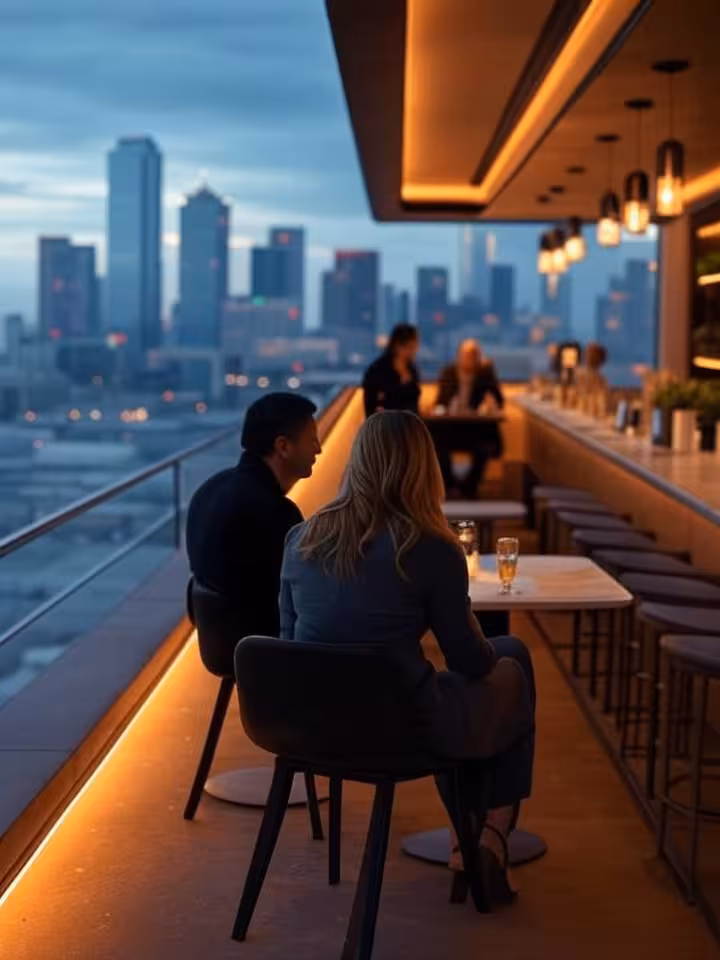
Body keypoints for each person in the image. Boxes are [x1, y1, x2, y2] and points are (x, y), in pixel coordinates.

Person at [280, 411, 535, 905]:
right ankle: (488, 839)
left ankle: (472, 840)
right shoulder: (432, 549)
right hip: (400, 731)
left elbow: (288, 646)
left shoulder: (301, 539)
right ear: (424, 467)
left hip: (311, 727)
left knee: (461, 683)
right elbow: (471, 664)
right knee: (511, 663)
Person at [186, 392, 320, 638]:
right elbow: (304, 597)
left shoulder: (209, 489)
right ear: (283, 446)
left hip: (221, 639)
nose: (319, 449)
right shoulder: (278, 514)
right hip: (265, 648)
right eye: (312, 440)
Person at [434, 339, 504, 498]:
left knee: (485, 448)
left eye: (473, 355)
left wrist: (490, 399)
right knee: (436, 444)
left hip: (478, 430)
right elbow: (440, 402)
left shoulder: (485, 374)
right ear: (458, 356)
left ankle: (468, 489)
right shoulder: (449, 372)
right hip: (452, 429)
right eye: (465, 355)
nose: (469, 359)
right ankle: (450, 486)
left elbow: (499, 403)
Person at [362, 323, 420, 417]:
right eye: (408, 347)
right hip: (385, 424)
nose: (412, 352)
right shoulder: (378, 369)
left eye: (414, 347)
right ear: (396, 345)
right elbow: (371, 403)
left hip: (410, 424)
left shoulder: (412, 369)